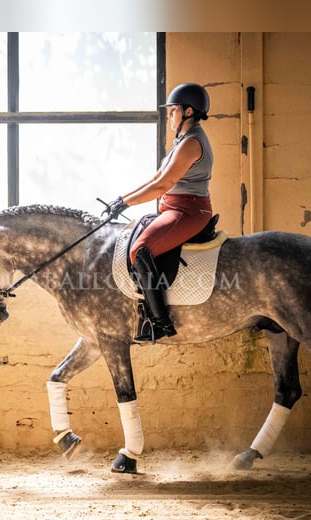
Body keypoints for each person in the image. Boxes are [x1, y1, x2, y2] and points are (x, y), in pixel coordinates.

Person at [103, 83, 214, 343]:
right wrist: (122, 199)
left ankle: (160, 322)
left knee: (140, 249)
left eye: (173, 110)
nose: (169, 115)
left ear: (188, 111)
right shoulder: (182, 141)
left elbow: (163, 186)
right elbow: (157, 178)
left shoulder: (191, 144)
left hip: (188, 211)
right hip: (173, 207)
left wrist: (127, 204)